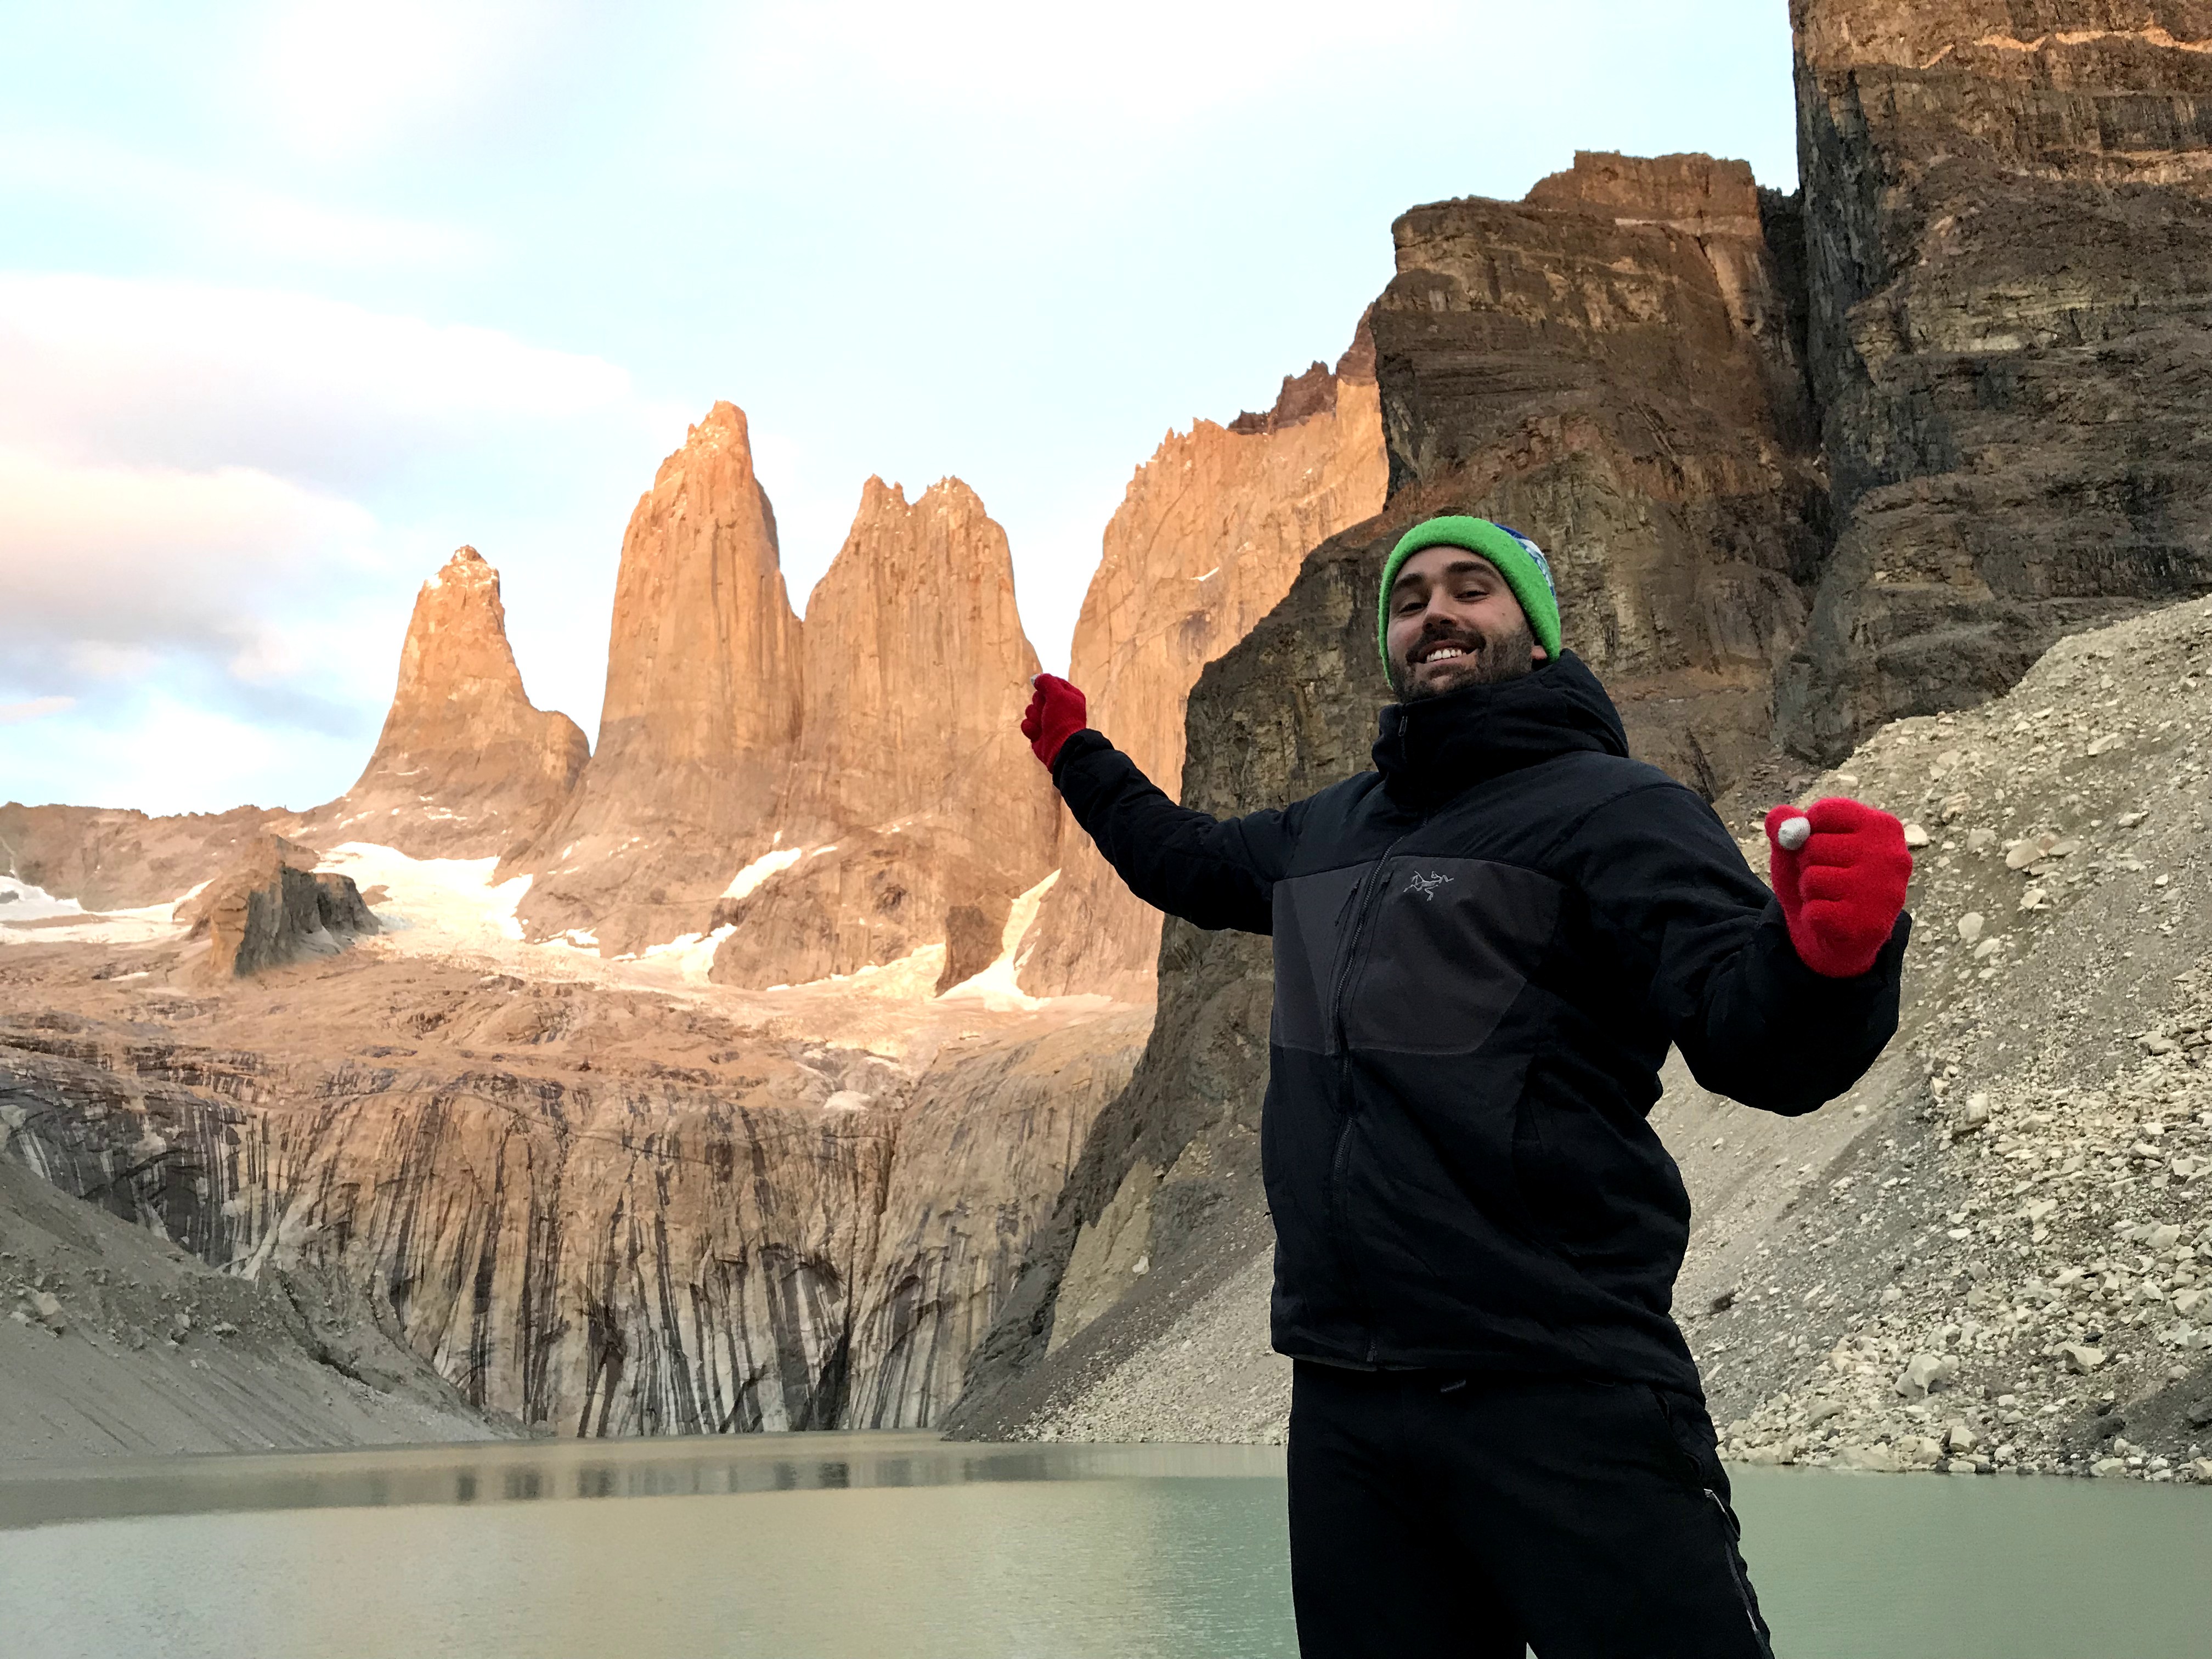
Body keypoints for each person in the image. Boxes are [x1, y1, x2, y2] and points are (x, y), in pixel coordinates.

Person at [1019, 515, 1912, 1659]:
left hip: (1558, 1382)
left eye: (1472, 590)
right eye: (1410, 599)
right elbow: (1184, 861)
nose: (1435, 613)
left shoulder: (1617, 809)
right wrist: (1078, 759)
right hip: (1348, 1403)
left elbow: (1756, 1048)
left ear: (1535, 636)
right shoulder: (1332, 828)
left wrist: (1829, 962)